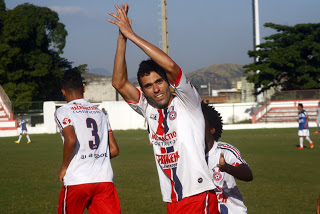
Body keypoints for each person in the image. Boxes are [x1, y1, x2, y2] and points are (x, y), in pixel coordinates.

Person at [108, 4, 218, 213]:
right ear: (143, 90)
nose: (155, 89)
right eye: (148, 86)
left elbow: (171, 66)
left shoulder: (187, 101)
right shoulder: (147, 107)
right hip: (172, 199)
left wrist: (132, 35)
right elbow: (119, 83)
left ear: (168, 82)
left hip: (198, 195)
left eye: (159, 81)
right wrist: (122, 38)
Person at [54, 70, 121, 214]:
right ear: (84, 88)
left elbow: (71, 139)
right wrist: (95, 157)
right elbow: (114, 149)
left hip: (77, 180)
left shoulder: (63, 111)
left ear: (63, 92)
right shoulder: (100, 113)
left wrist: (64, 167)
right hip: (104, 180)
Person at [201, 102, 253, 214]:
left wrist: (227, 168)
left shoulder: (225, 151)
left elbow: (248, 174)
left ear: (212, 129)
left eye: (201, 123)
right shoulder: (191, 154)